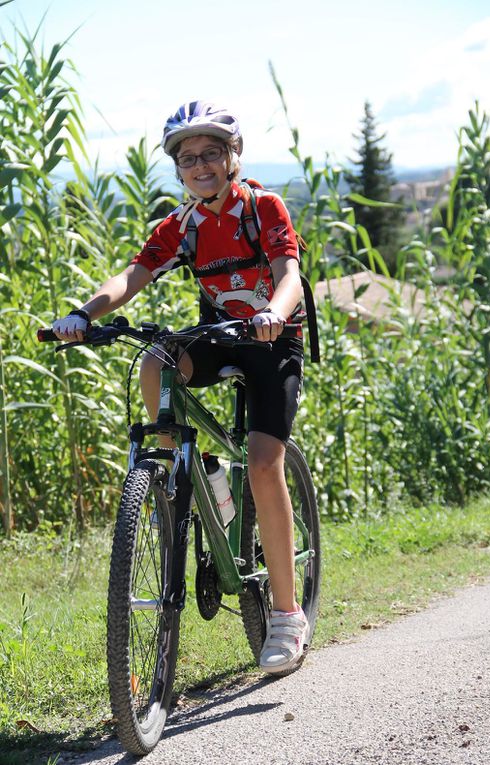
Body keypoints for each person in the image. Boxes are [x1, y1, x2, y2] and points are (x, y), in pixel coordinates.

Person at [52, 100, 308, 674]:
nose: (200, 165)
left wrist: (273, 311)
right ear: (178, 168)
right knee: (155, 359)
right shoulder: (183, 224)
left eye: (211, 153)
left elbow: (289, 274)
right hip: (221, 336)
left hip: (272, 339)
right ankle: (184, 471)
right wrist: (83, 314)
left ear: (232, 157)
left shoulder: (262, 207)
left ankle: (288, 617)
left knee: (265, 461)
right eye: (188, 157)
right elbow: (132, 276)